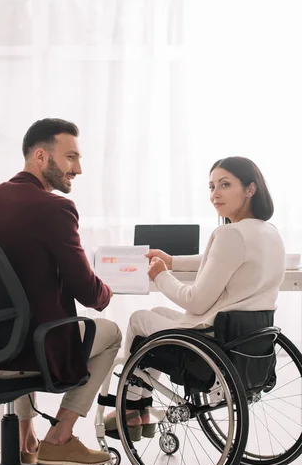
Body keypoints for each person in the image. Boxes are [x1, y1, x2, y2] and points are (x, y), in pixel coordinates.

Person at [0, 118, 122, 465]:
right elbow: (88, 292)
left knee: (24, 321)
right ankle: (60, 437)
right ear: (40, 156)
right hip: (26, 352)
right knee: (110, 333)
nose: (78, 169)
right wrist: (109, 289)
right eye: (70, 158)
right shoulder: (55, 208)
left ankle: (24, 436)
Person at [105, 156, 285, 434]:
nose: (215, 194)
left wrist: (161, 275)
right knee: (157, 315)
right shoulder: (269, 232)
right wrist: (172, 261)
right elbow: (217, 259)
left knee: (140, 319)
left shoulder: (230, 234)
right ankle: (139, 405)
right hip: (245, 338)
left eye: (225, 185)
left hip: (212, 340)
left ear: (251, 188)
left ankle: (130, 407)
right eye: (212, 186)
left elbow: (195, 301)